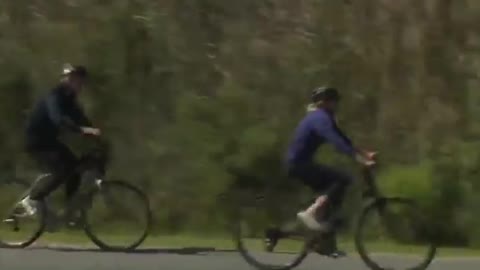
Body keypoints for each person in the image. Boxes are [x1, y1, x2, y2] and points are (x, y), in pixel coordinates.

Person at [266, 86, 375, 257]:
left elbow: (343, 138)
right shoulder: (319, 118)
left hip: (301, 163)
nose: (336, 105)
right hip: (298, 165)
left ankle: (320, 241)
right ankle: (312, 213)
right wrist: (360, 159)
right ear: (324, 103)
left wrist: (364, 153)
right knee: (342, 179)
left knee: (334, 198)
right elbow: (335, 142)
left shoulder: (324, 117)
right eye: (334, 102)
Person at [20, 64, 101, 218]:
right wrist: (82, 130)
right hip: (36, 142)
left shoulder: (70, 100)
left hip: (49, 141)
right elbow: (58, 119)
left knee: (76, 168)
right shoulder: (54, 96)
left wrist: (95, 133)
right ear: (65, 80)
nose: (78, 84)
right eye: (73, 79)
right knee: (64, 169)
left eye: (80, 81)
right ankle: (32, 200)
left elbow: (81, 118)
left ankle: (69, 210)